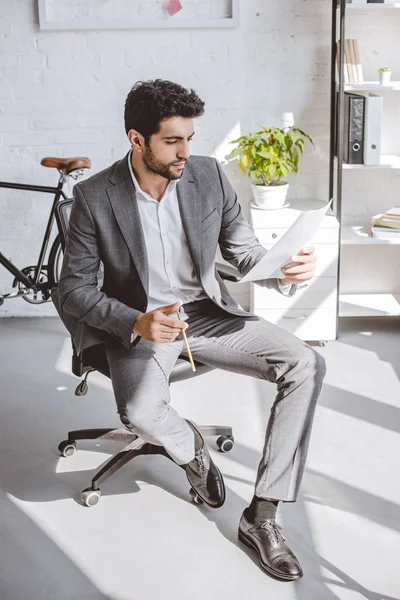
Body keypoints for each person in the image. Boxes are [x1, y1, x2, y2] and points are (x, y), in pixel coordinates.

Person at [55, 79, 326, 582]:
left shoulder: (207, 176)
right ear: (137, 140)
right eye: (172, 141)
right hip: (141, 321)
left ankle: (262, 517)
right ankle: (192, 451)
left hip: (204, 312)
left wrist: (280, 268)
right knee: (138, 409)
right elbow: (70, 290)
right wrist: (135, 321)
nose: (185, 152)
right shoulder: (95, 196)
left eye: (190, 138)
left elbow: (242, 252)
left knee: (306, 362)